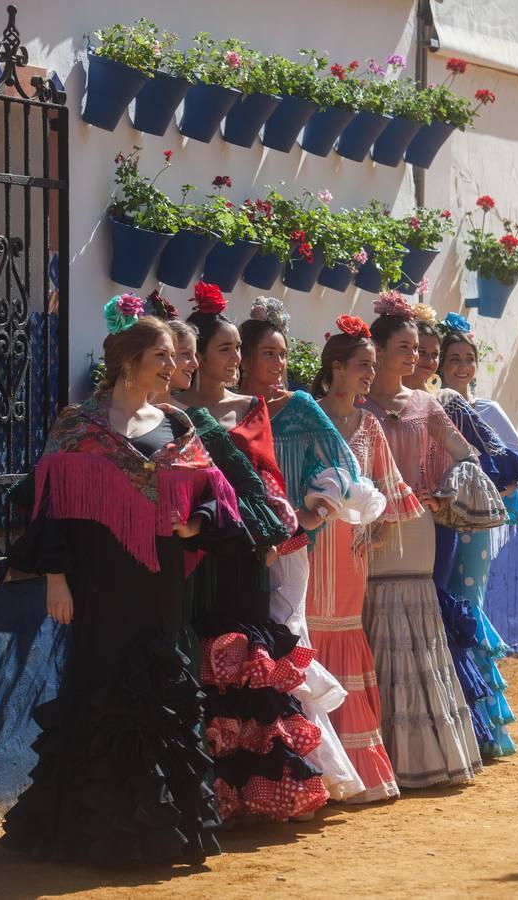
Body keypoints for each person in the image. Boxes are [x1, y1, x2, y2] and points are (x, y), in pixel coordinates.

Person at [0, 301, 246, 866]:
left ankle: (160, 829)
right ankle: (88, 830)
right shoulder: (77, 426)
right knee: (100, 688)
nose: (173, 366)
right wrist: (55, 580)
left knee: (159, 690)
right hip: (97, 585)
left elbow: (218, 499)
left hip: (159, 582)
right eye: (161, 357)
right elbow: (49, 511)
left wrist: (194, 523)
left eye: (172, 358)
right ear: (129, 362)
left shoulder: (178, 425)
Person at [175, 282, 329, 822]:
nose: (235, 359)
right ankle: (207, 792)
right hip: (194, 548)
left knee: (244, 659)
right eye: (225, 349)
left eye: (237, 350)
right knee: (200, 650)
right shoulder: (172, 409)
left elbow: (267, 481)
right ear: (194, 355)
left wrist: (273, 540)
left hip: (244, 550)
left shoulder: (250, 407)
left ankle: (252, 794)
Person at [363, 291, 505, 789]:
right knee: (370, 621)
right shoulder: (356, 404)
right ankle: (375, 755)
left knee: (417, 628)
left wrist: (442, 494)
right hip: (367, 533)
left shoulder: (426, 402)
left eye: (414, 348)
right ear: (377, 350)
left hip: (419, 530)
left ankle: (418, 759)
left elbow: (466, 454)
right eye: (403, 347)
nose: (413, 356)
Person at [240, 298, 369, 801]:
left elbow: (346, 470)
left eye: (283, 355)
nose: (279, 366)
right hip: (236, 552)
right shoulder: (228, 410)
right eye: (268, 355)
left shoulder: (302, 407)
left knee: (286, 645)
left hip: (290, 550)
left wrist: (310, 518)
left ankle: (311, 770)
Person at [301, 314, 422, 802]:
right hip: (307, 549)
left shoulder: (369, 424)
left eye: (373, 366)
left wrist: (373, 535)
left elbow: (392, 492)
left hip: (348, 558)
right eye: (363, 366)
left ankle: (355, 773)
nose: (371, 375)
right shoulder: (305, 415)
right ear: (336, 368)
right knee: (308, 637)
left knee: (345, 636)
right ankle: (314, 774)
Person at [402, 306, 518, 750]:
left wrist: (467, 491)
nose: (450, 365)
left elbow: (515, 463)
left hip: (455, 528)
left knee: (455, 612)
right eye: (440, 356)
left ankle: (478, 727)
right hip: (405, 529)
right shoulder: (402, 405)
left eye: (460, 358)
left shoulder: (458, 407)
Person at [438, 324, 518, 756]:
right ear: (441, 366)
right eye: (454, 359)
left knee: (467, 607)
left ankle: (484, 727)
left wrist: (493, 493)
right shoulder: (433, 407)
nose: (463, 367)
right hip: (440, 525)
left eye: (468, 359)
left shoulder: (486, 409)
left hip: (476, 531)